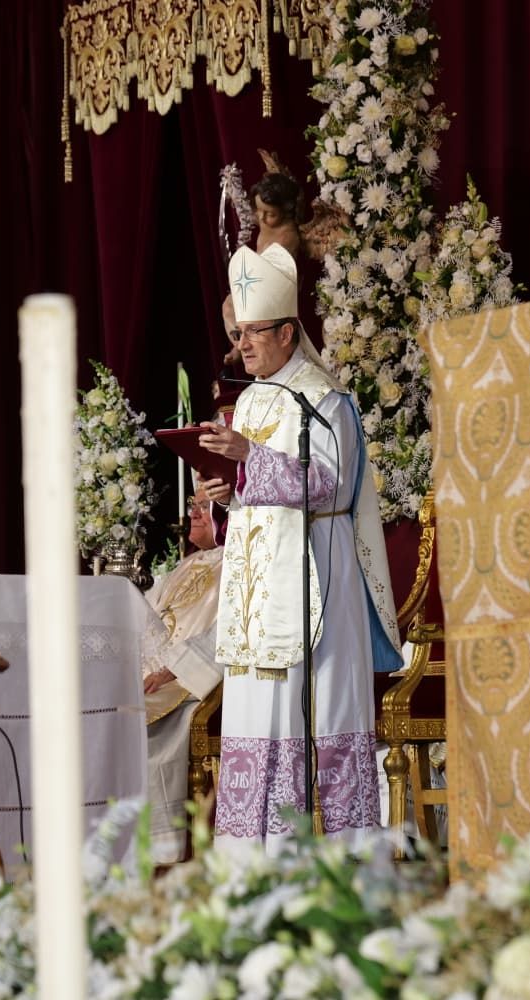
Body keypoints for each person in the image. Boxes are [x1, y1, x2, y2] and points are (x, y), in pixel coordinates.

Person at [198, 243, 401, 850]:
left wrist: (249, 458)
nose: (242, 344)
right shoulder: (251, 399)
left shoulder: (324, 399)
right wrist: (228, 489)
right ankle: (249, 864)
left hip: (317, 580)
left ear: (288, 332)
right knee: (254, 714)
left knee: (321, 714)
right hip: (258, 596)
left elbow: (332, 484)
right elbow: (254, 492)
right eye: (238, 333)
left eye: (254, 332)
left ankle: (337, 861)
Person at [140, 484, 225, 863]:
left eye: (205, 507)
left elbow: (230, 633)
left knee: (137, 726)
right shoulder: (185, 564)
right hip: (152, 673)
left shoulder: (240, 562)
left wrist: (174, 668)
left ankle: (159, 851)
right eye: (193, 504)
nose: (193, 514)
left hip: (191, 683)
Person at [251, 172, 304, 257]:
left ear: (286, 212)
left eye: (270, 214)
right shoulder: (265, 221)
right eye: (258, 209)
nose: (261, 217)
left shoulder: (286, 239)